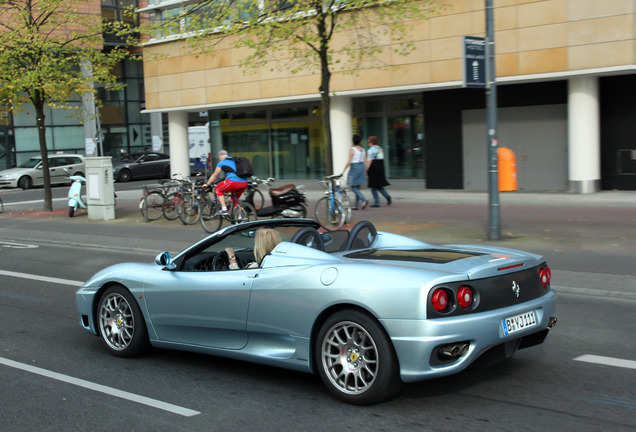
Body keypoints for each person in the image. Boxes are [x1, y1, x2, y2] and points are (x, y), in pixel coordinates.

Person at [204, 150, 248, 215]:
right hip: (244, 183)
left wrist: (207, 184)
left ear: (220, 156)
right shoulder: (235, 161)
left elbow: (214, 176)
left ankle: (224, 209)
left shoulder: (222, 162)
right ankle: (240, 218)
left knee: (218, 189)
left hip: (234, 182)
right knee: (234, 199)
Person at [342, 134, 368, 210]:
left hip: (354, 168)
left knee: (352, 187)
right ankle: (356, 205)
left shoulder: (352, 149)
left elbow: (349, 162)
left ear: (353, 141)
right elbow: (365, 161)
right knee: (357, 186)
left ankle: (364, 200)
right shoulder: (363, 149)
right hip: (361, 167)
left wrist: (343, 171)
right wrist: (366, 170)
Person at [365, 136, 392, 207]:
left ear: (371, 142)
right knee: (378, 185)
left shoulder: (370, 150)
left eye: (368, 142)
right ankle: (387, 196)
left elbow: (369, 161)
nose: (368, 143)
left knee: (373, 186)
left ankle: (377, 203)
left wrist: (366, 169)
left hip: (373, 168)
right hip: (380, 167)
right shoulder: (380, 149)